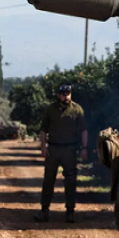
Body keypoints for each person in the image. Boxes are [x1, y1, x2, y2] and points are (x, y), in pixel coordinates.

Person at [36, 84, 88, 223]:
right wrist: (43, 146)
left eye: (68, 93)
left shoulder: (77, 110)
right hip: (53, 149)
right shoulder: (51, 110)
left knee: (70, 181)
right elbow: (43, 130)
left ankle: (70, 211)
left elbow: (83, 130)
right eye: (63, 93)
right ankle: (44, 210)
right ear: (58, 95)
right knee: (48, 180)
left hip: (70, 150)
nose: (66, 96)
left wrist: (84, 147)